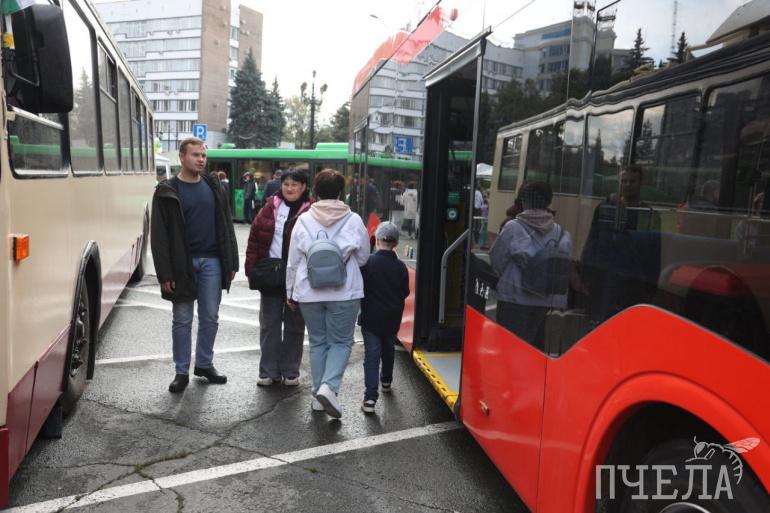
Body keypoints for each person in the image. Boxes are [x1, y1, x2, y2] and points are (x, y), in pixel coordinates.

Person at [151, 137, 239, 393]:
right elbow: (159, 236)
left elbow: (227, 226)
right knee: (182, 320)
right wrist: (164, 273)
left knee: (210, 317)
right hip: (182, 265)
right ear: (181, 157)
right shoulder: (167, 190)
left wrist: (231, 261)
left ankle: (204, 364)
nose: (201, 159)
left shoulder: (214, 187)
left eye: (203, 155)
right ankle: (181, 372)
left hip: (213, 262)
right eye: (195, 155)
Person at [286, 169, 370, 418]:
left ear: (315, 191)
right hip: (345, 291)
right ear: (341, 192)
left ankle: (318, 397)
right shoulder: (353, 219)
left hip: (309, 291)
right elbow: (363, 258)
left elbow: (293, 261)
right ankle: (329, 387)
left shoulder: (303, 220)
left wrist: (291, 292)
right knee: (341, 342)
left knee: (318, 342)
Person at [245, 169, 312, 387]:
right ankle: (268, 371)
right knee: (269, 325)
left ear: (303, 187)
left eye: (294, 184)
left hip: (298, 277)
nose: (289, 189)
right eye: (286, 184)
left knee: (295, 326)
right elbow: (255, 238)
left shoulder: (311, 210)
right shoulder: (270, 206)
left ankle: (290, 371)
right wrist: (251, 269)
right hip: (271, 274)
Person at [490, 181, 571, 347]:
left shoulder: (513, 228)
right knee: (536, 350)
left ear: (524, 201)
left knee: (509, 348)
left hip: (514, 300)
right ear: (548, 202)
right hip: (547, 303)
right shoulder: (562, 233)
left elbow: (496, 260)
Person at [359, 221, 409, 414]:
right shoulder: (401, 267)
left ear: (377, 240)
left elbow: (361, 287)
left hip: (371, 318)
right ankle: (386, 381)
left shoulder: (368, 263)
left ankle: (370, 399)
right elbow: (404, 292)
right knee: (388, 349)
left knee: (372, 356)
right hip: (392, 318)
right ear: (395, 243)